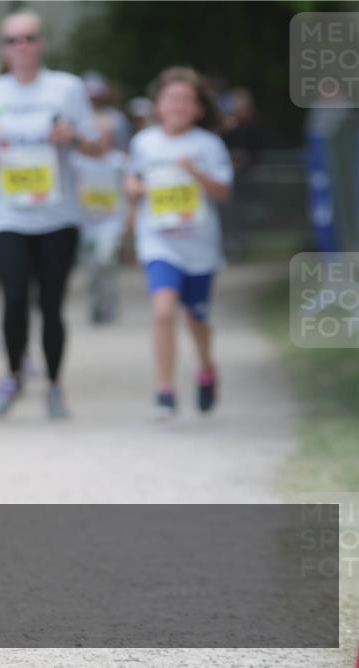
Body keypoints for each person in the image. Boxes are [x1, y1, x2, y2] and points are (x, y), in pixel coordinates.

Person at [0, 11, 100, 419]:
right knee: (12, 297)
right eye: (12, 40)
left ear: (42, 43)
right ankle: (12, 375)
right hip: (6, 213)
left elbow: (95, 146)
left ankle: (55, 384)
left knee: (51, 303)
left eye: (29, 38)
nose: (21, 46)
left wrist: (74, 137)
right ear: (2, 48)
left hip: (57, 215)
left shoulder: (67, 88)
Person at [125, 67, 232, 418]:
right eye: (172, 99)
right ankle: (165, 390)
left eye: (187, 100)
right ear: (158, 104)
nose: (178, 106)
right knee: (163, 310)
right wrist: (134, 193)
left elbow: (223, 192)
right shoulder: (144, 143)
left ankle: (205, 368)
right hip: (159, 242)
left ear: (199, 108)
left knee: (197, 320)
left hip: (199, 246)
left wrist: (196, 173)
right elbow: (133, 183)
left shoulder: (208, 145)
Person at [70, 112, 128, 324]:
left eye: (103, 136)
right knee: (91, 267)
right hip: (85, 224)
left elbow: (127, 191)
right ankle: (97, 304)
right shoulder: (75, 162)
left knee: (105, 260)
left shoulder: (119, 162)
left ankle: (109, 302)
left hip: (111, 222)